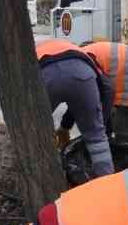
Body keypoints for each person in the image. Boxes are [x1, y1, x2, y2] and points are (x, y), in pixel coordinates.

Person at [36, 39, 114, 175]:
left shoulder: (33, 51)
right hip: (83, 73)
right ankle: (106, 182)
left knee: (37, 130)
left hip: (46, 74)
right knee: (96, 137)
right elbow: (106, 88)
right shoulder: (80, 52)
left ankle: (47, 177)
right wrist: (99, 124)